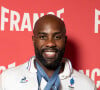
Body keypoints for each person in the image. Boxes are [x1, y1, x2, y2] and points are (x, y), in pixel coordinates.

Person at [0, 15, 96, 90]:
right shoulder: (7, 79)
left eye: (57, 37)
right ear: (34, 40)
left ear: (65, 40)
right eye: (43, 37)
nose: (50, 43)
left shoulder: (86, 85)